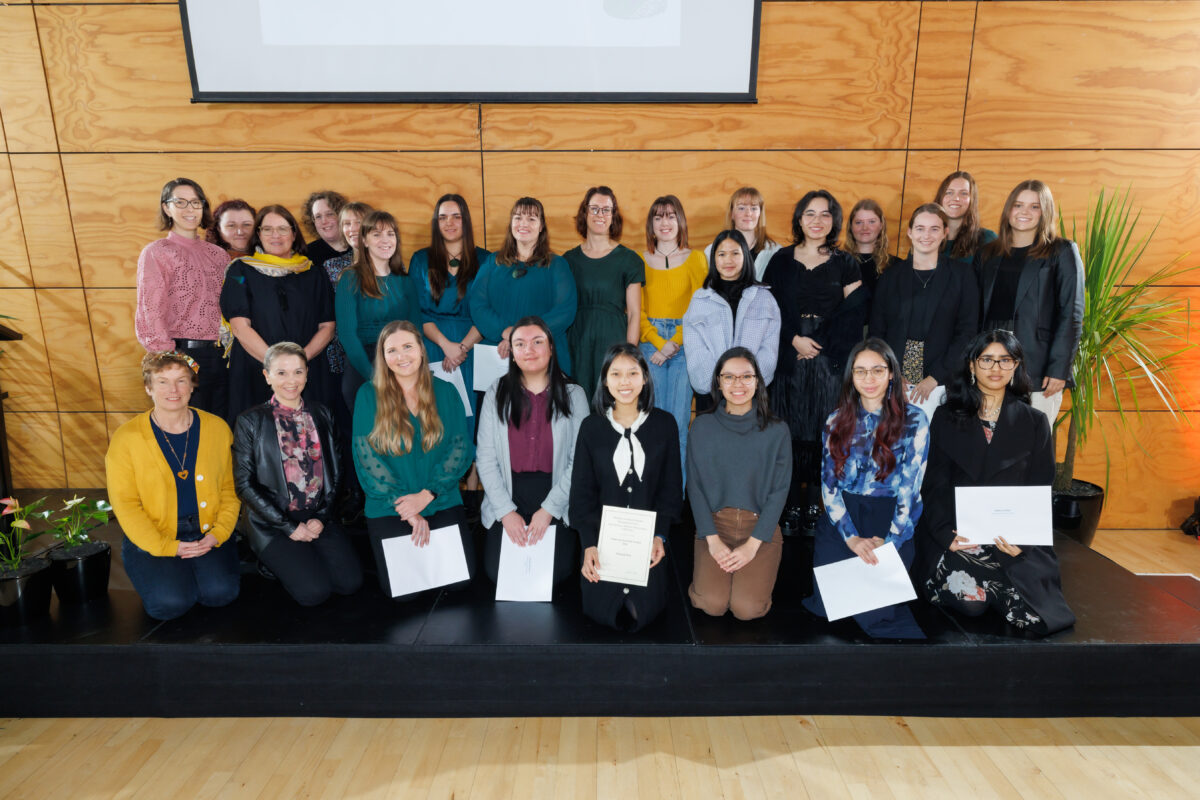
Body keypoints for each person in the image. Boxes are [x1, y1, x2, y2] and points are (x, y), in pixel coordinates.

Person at [914, 330, 1075, 635]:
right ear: (972, 366)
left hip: (1009, 536)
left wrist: (1023, 540)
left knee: (1029, 605)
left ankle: (1002, 589)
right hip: (959, 532)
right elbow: (933, 485)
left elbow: (1040, 488)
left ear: (1016, 367)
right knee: (971, 602)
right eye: (987, 360)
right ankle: (996, 591)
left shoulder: (1035, 421)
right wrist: (944, 533)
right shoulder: (946, 416)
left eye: (1005, 360)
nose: (996, 368)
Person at [803, 338, 930, 639]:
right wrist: (851, 539)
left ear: (891, 375)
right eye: (861, 371)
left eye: (877, 370)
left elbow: (911, 490)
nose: (869, 379)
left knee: (875, 612)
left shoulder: (915, 420)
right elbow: (829, 487)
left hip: (891, 517)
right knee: (831, 606)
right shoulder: (836, 421)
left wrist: (890, 542)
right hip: (845, 517)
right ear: (851, 377)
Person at [105, 351, 240, 620]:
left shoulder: (218, 428)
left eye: (181, 380)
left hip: (206, 531)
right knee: (170, 604)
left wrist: (218, 534)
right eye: (163, 381)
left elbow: (228, 491)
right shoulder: (126, 439)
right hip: (155, 533)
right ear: (148, 387)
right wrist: (167, 547)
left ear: (192, 386)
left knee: (221, 594)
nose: (173, 390)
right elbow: (126, 505)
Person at [762, 190, 865, 533]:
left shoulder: (846, 262)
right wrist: (793, 339)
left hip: (828, 358)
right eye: (810, 214)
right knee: (787, 433)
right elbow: (769, 308)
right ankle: (789, 504)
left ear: (834, 220)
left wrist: (819, 343)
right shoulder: (780, 260)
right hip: (788, 355)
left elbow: (854, 314)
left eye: (825, 214)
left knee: (825, 434)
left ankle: (816, 506)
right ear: (799, 219)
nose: (817, 221)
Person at [232, 342, 362, 606]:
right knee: (314, 593)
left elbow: (337, 471)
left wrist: (323, 516)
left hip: (317, 515)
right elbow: (244, 485)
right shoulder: (250, 421)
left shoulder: (322, 413)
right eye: (281, 373)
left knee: (350, 583)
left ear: (307, 374)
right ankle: (271, 562)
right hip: (274, 522)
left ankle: (304, 554)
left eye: (298, 372)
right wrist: (289, 527)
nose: (291, 381)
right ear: (267, 376)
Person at [352, 320, 475, 598]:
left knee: (460, 582)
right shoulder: (368, 395)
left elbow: (460, 449)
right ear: (383, 358)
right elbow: (367, 460)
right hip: (390, 504)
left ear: (421, 349)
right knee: (404, 592)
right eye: (391, 350)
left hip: (439, 497)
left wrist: (426, 495)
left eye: (408, 346)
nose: (401, 356)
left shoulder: (446, 391)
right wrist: (408, 509)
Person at [570, 343, 681, 631]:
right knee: (601, 610)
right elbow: (581, 495)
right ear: (605, 380)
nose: (625, 382)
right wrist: (588, 545)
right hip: (602, 543)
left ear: (645, 378)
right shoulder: (591, 427)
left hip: (647, 546)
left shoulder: (665, 425)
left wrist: (660, 537)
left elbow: (670, 491)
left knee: (642, 611)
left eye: (633, 373)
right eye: (616, 374)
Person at [477, 317, 589, 587]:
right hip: (508, 490)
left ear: (551, 348)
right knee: (497, 573)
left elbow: (580, 462)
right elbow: (485, 458)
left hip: (555, 492)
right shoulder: (496, 392)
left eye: (538, 342)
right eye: (520, 344)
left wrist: (549, 509)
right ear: (512, 354)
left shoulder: (574, 394)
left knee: (557, 574)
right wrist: (505, 512)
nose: (529, 349)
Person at [686, 348, 791, 620]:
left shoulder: (777, 429)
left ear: (758, 381)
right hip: (714, 525)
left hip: (759, 528)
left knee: (747, 609)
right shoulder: (702, 426)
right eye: (729, 377)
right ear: (718, 382)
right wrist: (712, 541)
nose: (738, 384)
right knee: (712, 604)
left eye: (746, 376)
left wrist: (753, 545)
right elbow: (694, 487)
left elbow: (780, 492)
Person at [975, 179, 1084, 425]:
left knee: (1031, 445)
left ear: (1045, 212)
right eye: (1018, 205)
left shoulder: (1062, 251)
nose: (1024, 212)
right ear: (1008, 210)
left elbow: (1072, 314)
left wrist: (1059, 369)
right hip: (990, 363)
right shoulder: (987, 254)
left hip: (1037, 365)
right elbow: (975, 312)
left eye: (1034, 207)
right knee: (988, 441)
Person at [220, 204, 335, 422]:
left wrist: (298, 366)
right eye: (267, 229)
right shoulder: (240, 272)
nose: (275, 235)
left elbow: (327, 327)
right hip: (256, 370)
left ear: (294, 233)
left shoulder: (314, 273)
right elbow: (239, 326)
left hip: (307, 372)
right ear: (258, 234)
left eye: (283, 229)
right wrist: (276, 368)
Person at [869, 203, 979, 416]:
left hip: (943, 380)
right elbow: (877, 332)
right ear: (910, 232)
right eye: (920, 228)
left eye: (934, 229)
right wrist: (893, 373)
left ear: (945, 233)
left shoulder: (962, 275)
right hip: (895, 378)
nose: (926, 235)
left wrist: (936, 377)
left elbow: (967, 332)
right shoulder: (890, 276)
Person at [136, 177, 231, 418]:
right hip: (181, 354)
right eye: (181, 202)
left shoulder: (219, 255)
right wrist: (169, 358)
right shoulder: (156, 253)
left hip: (223, 356)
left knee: (221, 428)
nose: (190, 209)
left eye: (196, 202)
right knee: (187, 427)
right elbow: (151, 308)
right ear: (166, 207)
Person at [638, 195, 707, 480]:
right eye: (658, 217)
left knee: (678, 423)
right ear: (651, 225)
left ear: (680, 221)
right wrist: (657, 342)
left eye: (670, 215)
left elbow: (700, 307)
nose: (665, 222)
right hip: (649, 344)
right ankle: (648, 497)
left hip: (684, 342)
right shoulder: (638, 260)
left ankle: (673, 501)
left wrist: (673, 343)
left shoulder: (697, 259)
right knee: (648, 423)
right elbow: (636, 311)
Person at [470, 197, 578, 375]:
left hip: (543, 354)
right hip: (498, 353)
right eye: (518, 217)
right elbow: (477, 305)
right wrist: (505, 332)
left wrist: (520, 337)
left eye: (532, 219)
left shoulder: (557, 265)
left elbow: (565, 311)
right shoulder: (492, 262)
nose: (523, 223)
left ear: (541, 226)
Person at [683, 230, 781, 413]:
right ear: (714, 259)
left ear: (746, 256)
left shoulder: (764, 298)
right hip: (712, 395)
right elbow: (695, 350)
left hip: (753, 395)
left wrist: (744, 381)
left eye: (735, 253)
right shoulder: (700, 299)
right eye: (722, 254)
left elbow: (769, 350)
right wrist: (723, 381)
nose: (728, 260)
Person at [410, 193, 489, 416]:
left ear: (466, 221)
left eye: (456, 216)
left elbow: (489, 311)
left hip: (473, 346)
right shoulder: (420, 259)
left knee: (473, 413)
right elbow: (417, 311)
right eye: (443, 217)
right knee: (437, 413)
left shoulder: (486, 260)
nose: (449, 223)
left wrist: (462, 348)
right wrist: (447, 345)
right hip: (433, 346)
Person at [335, 210, 422, 412]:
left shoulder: (405, 280)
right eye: (376, 234)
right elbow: (348, 336)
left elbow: (416, 330)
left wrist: (409, 369)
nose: (385, 240)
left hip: (403, 364)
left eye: (390, 234)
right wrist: (374, 376)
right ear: (364, 240)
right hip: (364, 368)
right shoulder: (350, 279)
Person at [564, 186, 645, 395]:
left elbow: (635, 313)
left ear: (613, 215)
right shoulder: (567, 260)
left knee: (611, 405)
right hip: (577, 345)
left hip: (613, 344)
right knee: (578, 405)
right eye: (595, 209)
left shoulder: (629, 260)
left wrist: (629, 354)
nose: (600, 215)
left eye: (606, 210)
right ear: (585, 213)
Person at [321, 201, 376, 396]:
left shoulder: (391, 266)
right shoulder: (332, 267)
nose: (352, 229)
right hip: (345, 356)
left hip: (384, 353)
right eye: (346, 223)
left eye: (358, 222)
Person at [703, 186, 781, 282]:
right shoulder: (711, 251)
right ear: (732, 213)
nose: (748, 213)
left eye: (753, 208)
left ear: (760, 213)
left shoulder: (776, 251)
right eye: (741, 208)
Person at [845, 198, 900, 299]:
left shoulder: (897, 266)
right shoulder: (838, 263)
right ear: (851, 227)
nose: (865, 228)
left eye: (871, 222)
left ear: (881, 226)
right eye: (858, 222)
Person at [936, 171, 996, 263]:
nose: (956, 198)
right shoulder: (925, 237)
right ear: (940, 197)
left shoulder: (987, 239)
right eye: (949, 192)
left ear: (972, 199)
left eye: (963, 193)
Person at [301, 190, 349, 272]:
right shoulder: (306, 256)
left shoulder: (360, 247)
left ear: (342, 216)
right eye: (318, 216)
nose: (324, 221)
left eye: (330, 214)